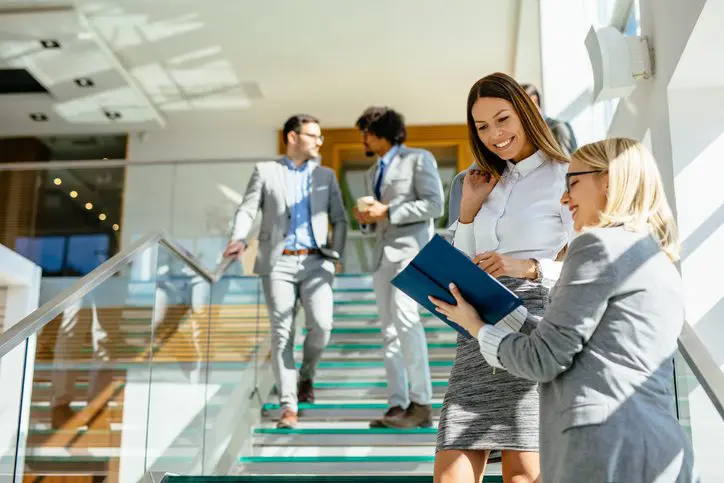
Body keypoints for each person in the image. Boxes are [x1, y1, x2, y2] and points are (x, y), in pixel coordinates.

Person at [431, 138, 699, 483]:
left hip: (605, 448)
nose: (564, 197)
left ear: (608, 179)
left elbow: (542, 359)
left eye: (572, 182)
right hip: (656, 448)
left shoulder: (596, 245)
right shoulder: (656, 255)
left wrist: (477, 327)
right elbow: (587, 346)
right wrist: (491, 317)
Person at [434, 72, 574, 483]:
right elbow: (461, 260)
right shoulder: (478, 180)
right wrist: (467, 211)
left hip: (534, 327)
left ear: (526, 113)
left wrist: (527, 267)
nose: (494, 134)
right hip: (475, 326)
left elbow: (587, 264)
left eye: (502, 119)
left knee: (523, 474)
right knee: (450, 473)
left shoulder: (565, 174)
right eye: (482, 126)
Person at [224, 114, 347, 429]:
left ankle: (306, 374)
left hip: (317, 261)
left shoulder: (326, 175)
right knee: (282, 334)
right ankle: (288, 406)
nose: (320, 142)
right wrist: (238, 238)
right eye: (313, 136)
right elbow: (248, 208)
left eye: (320, 136)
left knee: (322, 326)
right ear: (292, 137)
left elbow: (340, 218)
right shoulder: (265, 171)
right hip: (277, 263)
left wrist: (338, 254)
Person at [352, 106, 444, 429]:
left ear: (381, 133)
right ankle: (398, 404)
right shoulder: (370, 172)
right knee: (388, 330)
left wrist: (388, 210)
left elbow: (436, 204)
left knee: (406, 320)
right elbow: (376, 222)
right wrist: (367, 219)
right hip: (382, 256)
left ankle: (422, 403)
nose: (363, 138)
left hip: (412, 252)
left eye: (366, 131)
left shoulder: (419, 158)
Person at [521, 83, 578, 157]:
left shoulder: (558, 128)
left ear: (534, 100)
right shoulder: (525, 132)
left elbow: (567, 163)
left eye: (522, 103)